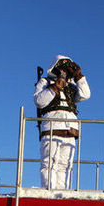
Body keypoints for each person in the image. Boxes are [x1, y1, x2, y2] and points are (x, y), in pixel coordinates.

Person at [33, 55, 90, 189]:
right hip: (51, 127)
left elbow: (85, 94)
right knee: (49, 163)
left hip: (70, 129)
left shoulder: (71, 86)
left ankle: (61, 192)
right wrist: (54, 88)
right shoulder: (45, 82)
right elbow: (39, 101)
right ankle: (49, 191)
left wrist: (79, 76)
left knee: (66, 164)